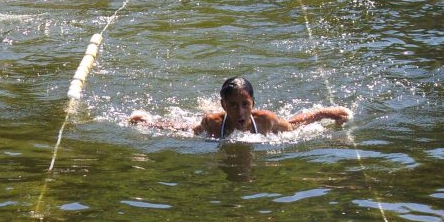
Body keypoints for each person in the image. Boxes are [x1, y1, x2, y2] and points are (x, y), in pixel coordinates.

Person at [129, 76, 351, 139]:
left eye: (245, 105)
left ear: (253, 104)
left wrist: (326, 113)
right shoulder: (214, 124)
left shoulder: (265, 120)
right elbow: (183, 129)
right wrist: (149, 122)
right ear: (224, 105)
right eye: (233, 106)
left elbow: (295, 124)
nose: (240, 112)